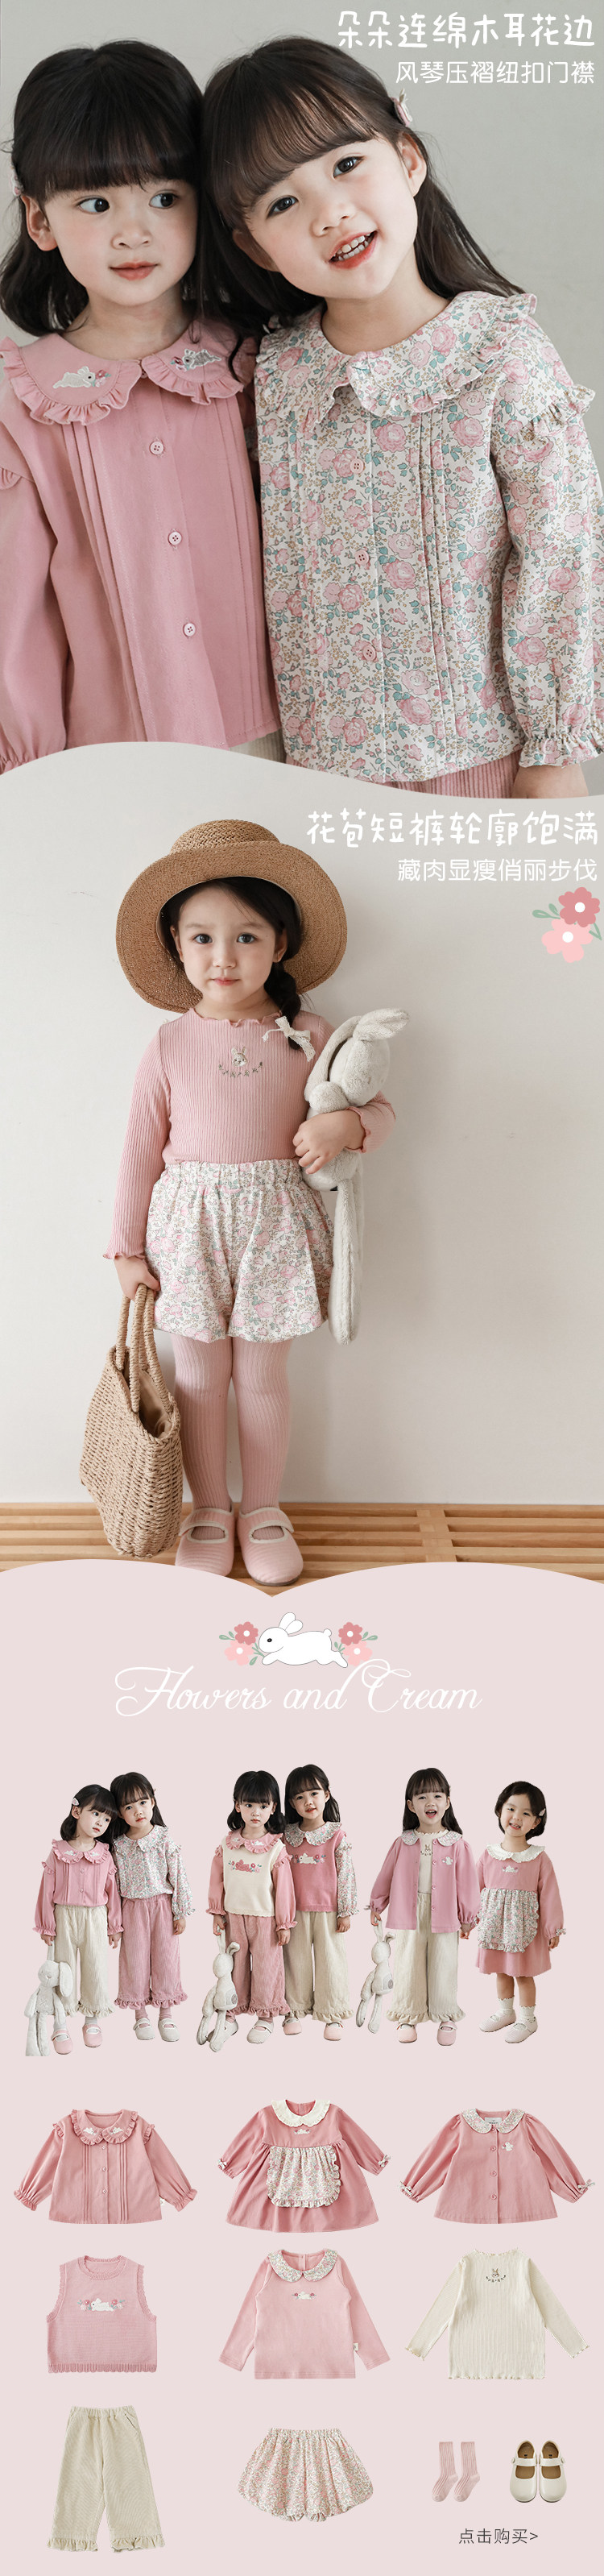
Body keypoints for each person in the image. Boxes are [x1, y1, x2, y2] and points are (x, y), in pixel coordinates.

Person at [201, 35, 604, 799]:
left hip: (487, 767)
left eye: (347, 164)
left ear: (408, 159)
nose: (330, 212)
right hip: (320, 786)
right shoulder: (272, 376)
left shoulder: (500, 353)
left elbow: (564, 557)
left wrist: (554, 752)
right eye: (284, 202)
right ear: (255, 247)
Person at [105, 815, 395, 1586]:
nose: (223, 956)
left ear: (280, 942)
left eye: (246, 936)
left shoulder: (309, 1034)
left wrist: (346, 1124)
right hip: (187, 1232)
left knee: (263, 1378)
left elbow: (380, 1110)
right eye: (201, 937)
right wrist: (125, 1249)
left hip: (278, 1230)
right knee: (199, 1379)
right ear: (176, 946)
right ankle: (209, 1509)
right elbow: (138, 1150)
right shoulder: (169, 1043)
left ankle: (263, 1509)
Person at [0, 39, 278, 765]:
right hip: (116, 772)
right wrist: (27, 781)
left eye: (164, 198)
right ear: (40, 220)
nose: (134, 232)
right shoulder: (24, 405)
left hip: (291, 748)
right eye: (96, 203)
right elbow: (16, 625)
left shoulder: (262, 362)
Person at [370, 1765, 480, 2044]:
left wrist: (468, 1917)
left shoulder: (457, 1844)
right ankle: (409, 2013)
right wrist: (377, 1905)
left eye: (437, 1796)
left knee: (444, 1963)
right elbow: (386, 1875)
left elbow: (468, 1883)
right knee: (408, 1962)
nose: (430, 1802)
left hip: (446, 1913)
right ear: (411, 1805)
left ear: (447, 1802)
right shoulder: (403, 1842)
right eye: (422, 1797)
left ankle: (445, 2014)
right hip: (409, 1911)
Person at [208, 1768, 295, 2043]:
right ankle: (231, 2014)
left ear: (273, 1808)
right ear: (237, 1805)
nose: (256, 1812)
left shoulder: (275, 1848)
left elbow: (284, 1889)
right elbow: (217, 1879)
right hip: (234, 1916)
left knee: (267, 1968)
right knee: (235, 1968)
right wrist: (217, 1912)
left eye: (263, 1806)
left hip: (266, 1919)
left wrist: (284, 1923)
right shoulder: (228, 1844)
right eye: (249, 1805)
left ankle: (266, 2016)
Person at [34, 1783, 121, 2049]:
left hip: (95, 1918)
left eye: (107, 1819)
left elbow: (112, 1892)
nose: (101, 1822)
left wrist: (114, 1926)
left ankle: (92, 2019)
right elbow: (46, 1889)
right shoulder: (59, 1851)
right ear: (77, 1811)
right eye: (96, 1814)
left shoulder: (104, 1855)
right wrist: (47, 1924)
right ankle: (60, 2024)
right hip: (64, 1917)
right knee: (64, 1969)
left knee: (96, 1966)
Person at [477, 1777, 563, 2043]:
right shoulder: (489, 1855)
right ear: (500, 1810)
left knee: (524, 1974)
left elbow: (550, 1895)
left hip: (525, 1930)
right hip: (495, 1928)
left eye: (526, 1813)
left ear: (536, 1822)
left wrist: (553, 1929)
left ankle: (528, 2019)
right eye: (511, 1809)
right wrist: (467, 1920)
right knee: (501, 1971)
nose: (516, 1817)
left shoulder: (538, 1858)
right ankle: (506, 2012)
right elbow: (473, 1889)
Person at [110, 1769, 192, 2044]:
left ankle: (166, 2013)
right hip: (132, 1909)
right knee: (134, 1961)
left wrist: (180, 1911)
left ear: (153, 1802)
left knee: (166, 1959)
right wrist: (115, 1923)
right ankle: (140, 2014)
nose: (138, 1811)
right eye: (129, 1807)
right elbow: (114, 1887)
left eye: (143, 1802)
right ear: (119, 1813)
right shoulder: (118, 1846)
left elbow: (178, 1875)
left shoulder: (164, 1839)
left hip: (162, 1907)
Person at [282, 1762, 357, 2041]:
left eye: (314, 1793)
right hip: (294, 1912)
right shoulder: (286, 1836)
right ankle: (293, 2008)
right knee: (294, 1962)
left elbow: (346, 1874)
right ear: (292, 1803)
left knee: (331, 1962)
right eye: (300, 1797)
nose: (308, 1801)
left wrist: (345, 1910)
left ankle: (332, 2012)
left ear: (326, 1794)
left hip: (329, 1911)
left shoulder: (336, 1835)